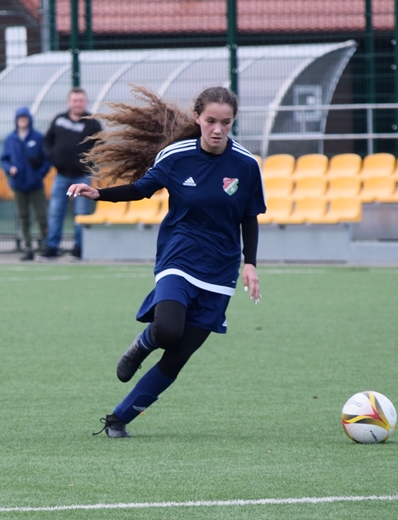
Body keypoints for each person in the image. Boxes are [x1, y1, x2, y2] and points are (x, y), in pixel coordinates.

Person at [66, 86, 265, 438]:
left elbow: (249, 216)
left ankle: (118, 419)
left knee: (177, 357)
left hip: (220, 271)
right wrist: (100, 193)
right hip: (179, 256)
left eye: (226, 122)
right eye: (210, 121)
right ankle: (143, 343)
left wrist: (250, 263)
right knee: (168, 330)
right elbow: (142, 189)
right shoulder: (176, 156)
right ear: (197, 119)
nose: (217, 129)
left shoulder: (247, 166)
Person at [40, 87, 102, 259]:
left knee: (81, 213)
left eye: (81, 100)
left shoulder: (92, 123)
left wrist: (91, 163)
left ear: (86, 102)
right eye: (75, 100)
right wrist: (52, 157)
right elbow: (47, 141)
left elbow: (101, 147)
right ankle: (52, 248)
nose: (78, 103)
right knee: (55, 211)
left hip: (82, 177)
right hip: (61, 176)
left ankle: (79, 249)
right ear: (69, 102)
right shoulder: (59, 120)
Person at [0, 107, 51, 261]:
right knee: (23, 217)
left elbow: (47, 159)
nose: (22, 120)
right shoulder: (11, 139)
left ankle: (47, 245)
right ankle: (27, 247)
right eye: (20, 118)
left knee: (42, 216)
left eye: (25, 117)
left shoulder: (38, 137)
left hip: (35, 184)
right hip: (18, 184)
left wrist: (39, 174)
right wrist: (10, 169)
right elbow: (4, 159)